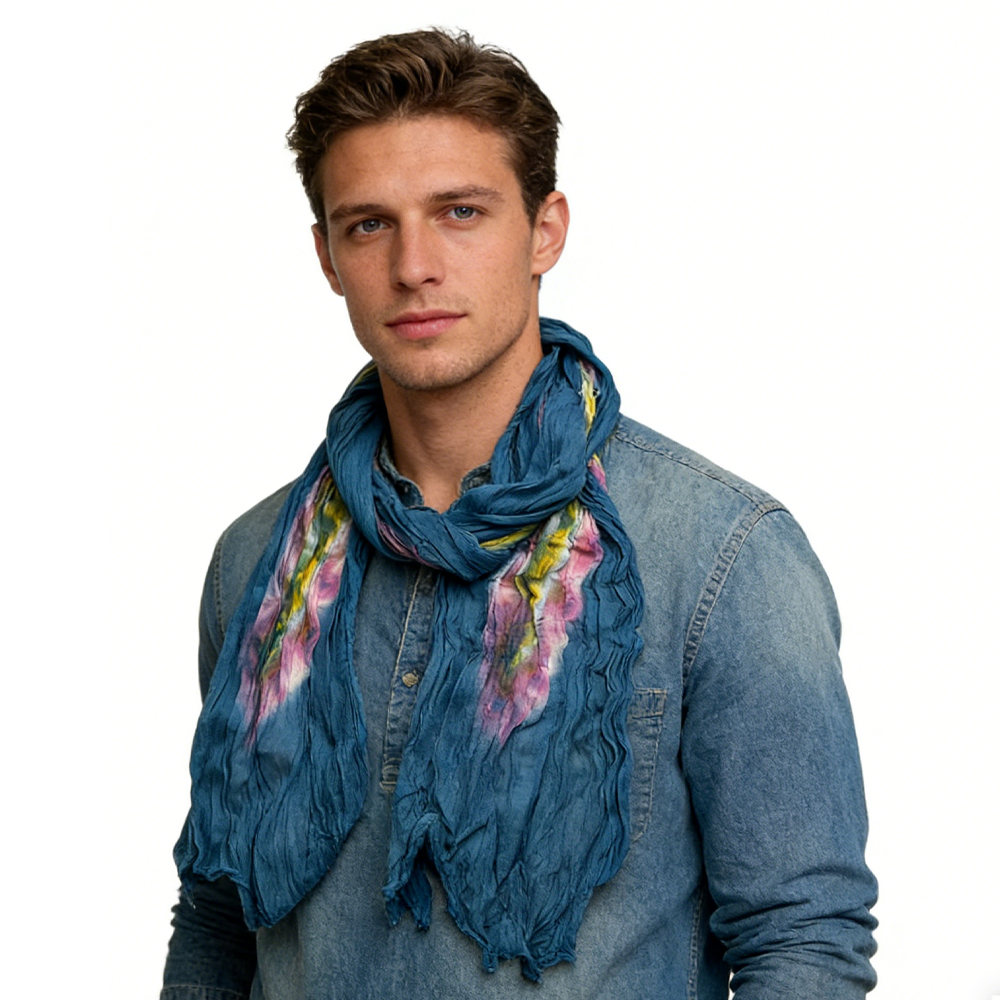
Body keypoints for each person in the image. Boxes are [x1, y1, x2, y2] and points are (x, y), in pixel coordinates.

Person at [162, 28, 878, 1000]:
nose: (414, 265)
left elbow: (803, 940)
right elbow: (217, 919)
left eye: (460, 212)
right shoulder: (257, 563)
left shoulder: (720, 554)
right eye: (368, 224)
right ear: (327, 255)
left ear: (546, 230)